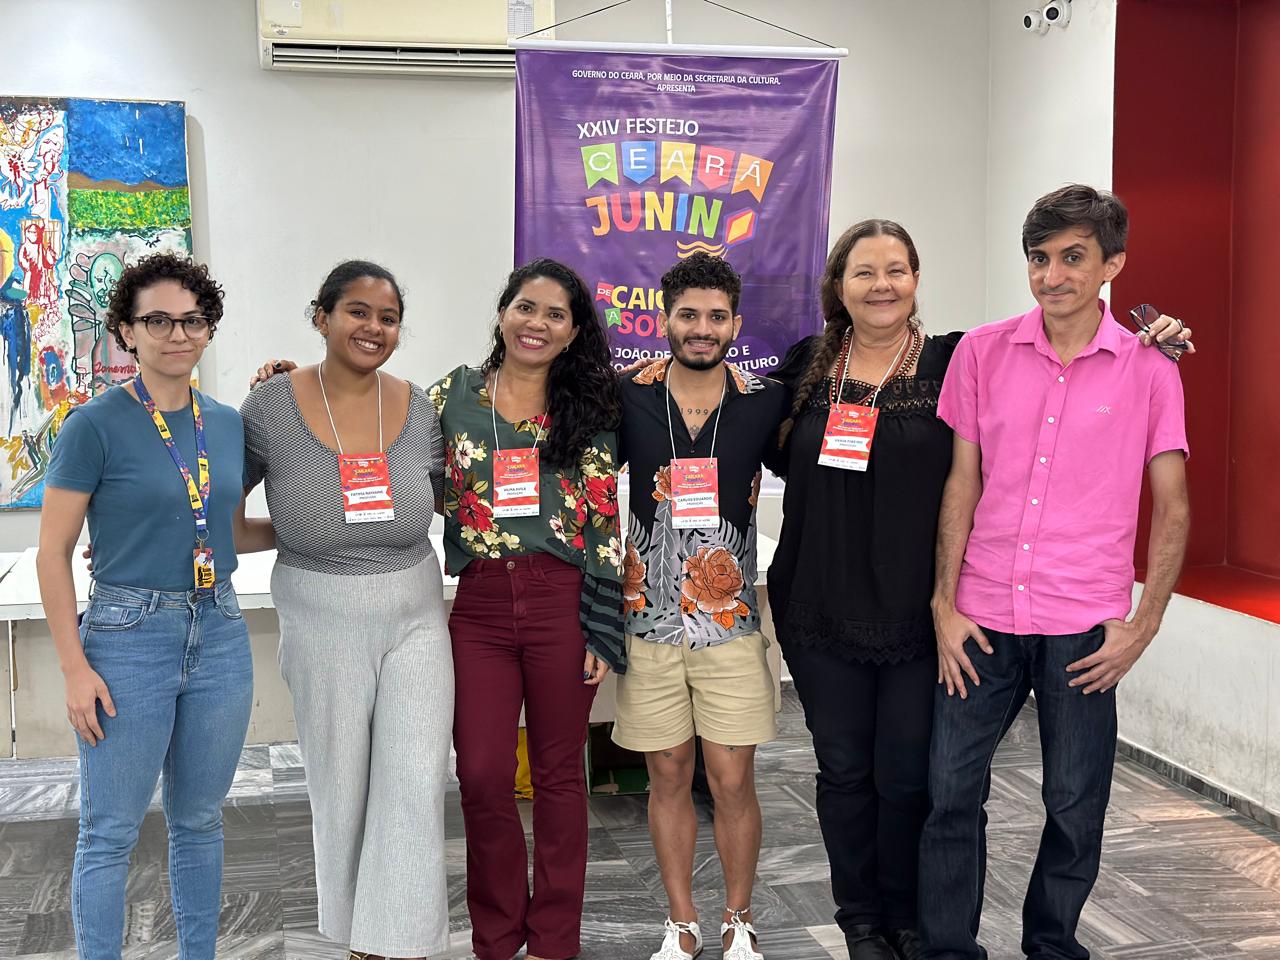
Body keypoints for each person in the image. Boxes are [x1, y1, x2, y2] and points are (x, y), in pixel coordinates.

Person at [767, 217, 1192, 960]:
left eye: (896, 269)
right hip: (866, 606)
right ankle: (888, 928)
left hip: (947, 615)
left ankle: (960, 930)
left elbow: (1169, 502)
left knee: (956, 786)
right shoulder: (816, 364)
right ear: (837, 285)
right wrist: (661, 373)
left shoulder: (954, 356)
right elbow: (734, 409)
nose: (881, 285)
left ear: (917, 279)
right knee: (888, 782)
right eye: (863, 271)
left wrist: (1157, 330)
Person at [920, 184, 1191, 960]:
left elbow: (1173, 506)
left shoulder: (1150, 369)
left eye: (1074, 258)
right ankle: (947, 950)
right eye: (1039, 259)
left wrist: (1144, 625)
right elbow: (962, 483)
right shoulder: (981, 352)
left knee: (1075, 805)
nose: (1052, 276)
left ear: (1113, 266)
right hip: (981, 617)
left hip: (1084, 630)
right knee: (948, 794)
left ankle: (1052, 944)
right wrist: (943, 602)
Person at [36, 253, 273, 960]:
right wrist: (75, 669)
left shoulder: (224, 423)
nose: (178, 334)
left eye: (192, 320)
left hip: (219, 630)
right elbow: (54, 552)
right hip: (128, 636)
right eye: (159, 321)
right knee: (109, 832)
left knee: (199, 820)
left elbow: (229, 530)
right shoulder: (93, 425)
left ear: (208, 329)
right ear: (127, 332)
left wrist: (322, 529)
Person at [240, 260, 452, 960]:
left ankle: (403, 942)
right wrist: (301, 531)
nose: (373, 327)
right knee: (341, 783)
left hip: (414, 607)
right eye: (357, 311)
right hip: (320, 609)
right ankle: (358, 936)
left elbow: (453, 498)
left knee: (415, 778)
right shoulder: (271, 407)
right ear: (321, 317)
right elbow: (221, 515)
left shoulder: (419, 407)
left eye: (388, 318)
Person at [428, 257, 624, 960]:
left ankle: (554, 939)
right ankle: (497, 934)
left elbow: (603, 519)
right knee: (481, 773)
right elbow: (381, 436)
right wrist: (293, 380)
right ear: (503, 313)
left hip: (560, 601)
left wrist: (603, 625)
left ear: (572, 332)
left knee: (558, 775)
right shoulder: (450, 395)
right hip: (480, 605)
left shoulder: (590, 408)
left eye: (555, 315)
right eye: (525, 307)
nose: (536, 323)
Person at [613, 252, 789, 960]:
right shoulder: (627, 395)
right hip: (648, 622)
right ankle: (682, 922)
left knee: (732, 779)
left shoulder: (765, 400)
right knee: (667, 776)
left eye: (717, 316)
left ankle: (737, 918)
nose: (702, 328)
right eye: (688, 315)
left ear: (736, 325)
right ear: (665, 320)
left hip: (730, 624)